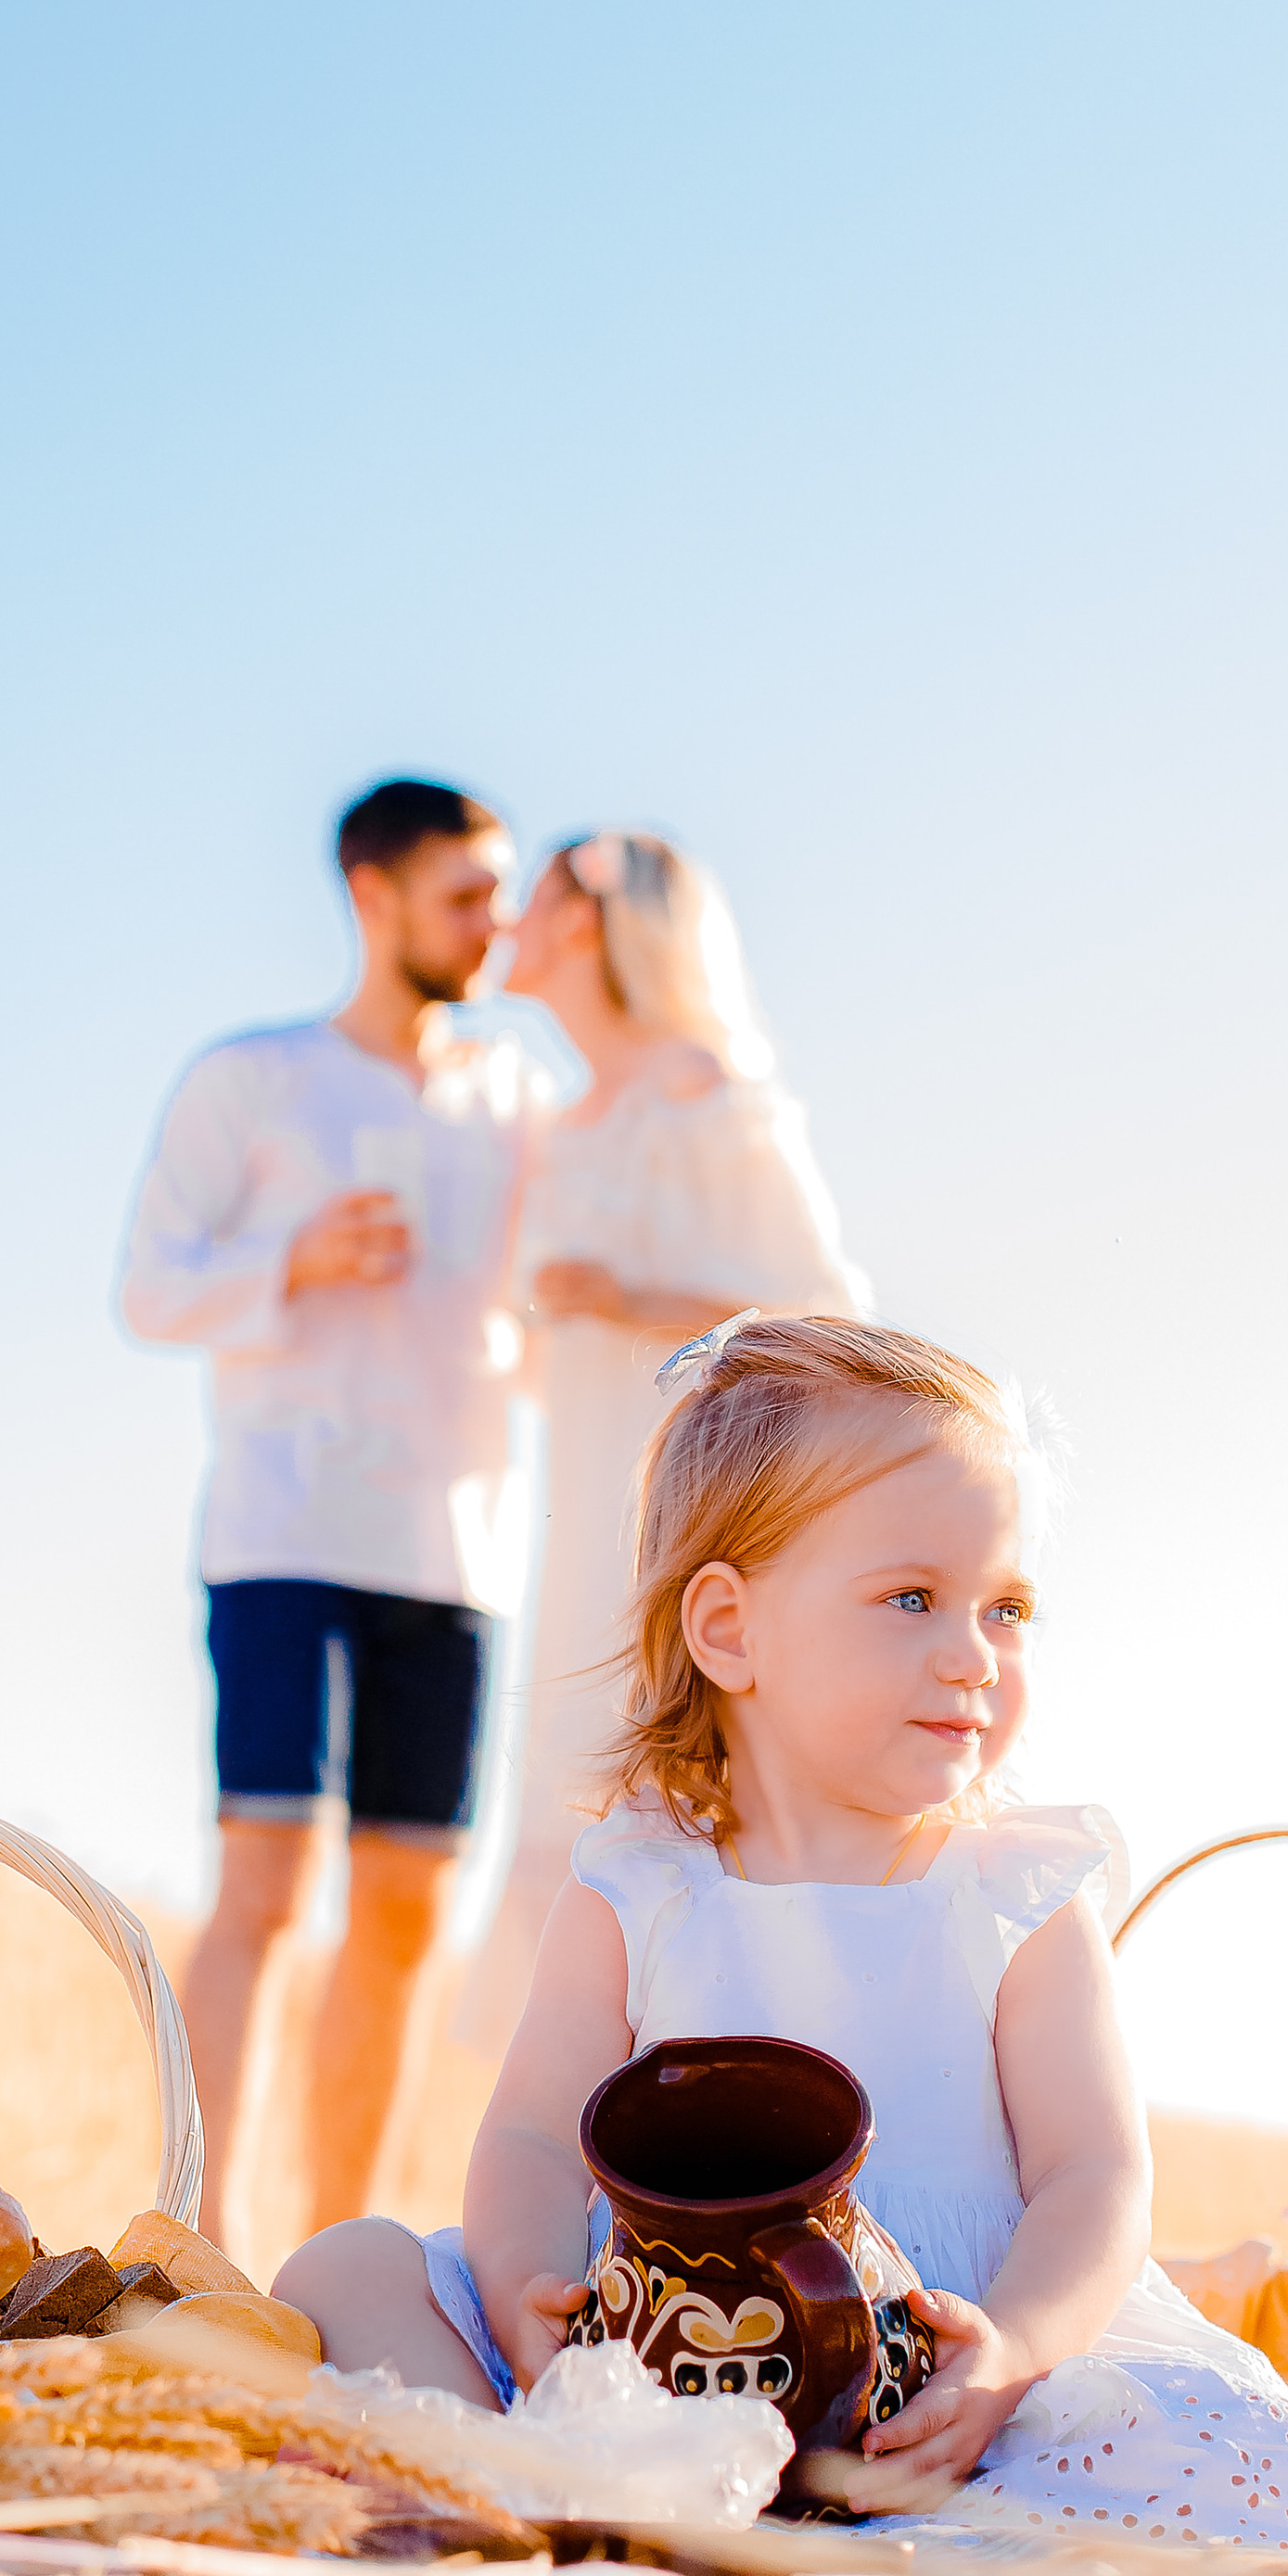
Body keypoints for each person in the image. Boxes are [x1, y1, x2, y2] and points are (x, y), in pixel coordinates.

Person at [279, 1315, 1288, 2552]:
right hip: (659, 2349)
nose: (973, 1657)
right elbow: (530, 2129)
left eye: (1007, 1609)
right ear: (730, 1631)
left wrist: (1015, 2350)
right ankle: (522, 2500)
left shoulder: (1017, 1896)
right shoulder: (642, 1883)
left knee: (1194, 2454)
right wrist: (532, 2301)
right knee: (347, 2269)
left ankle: (640, 2528)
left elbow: (1095, 2174)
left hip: (941, 2380)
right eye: (912, 1599)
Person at [120, 777, 542, 2254]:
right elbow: (146, 1286)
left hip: (458, 1550)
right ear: (373, 894)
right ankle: (206, 2243)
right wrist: (288, 1257)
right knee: (268, 1888)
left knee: (412, 1915)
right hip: (285, 1534)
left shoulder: (517, 1103)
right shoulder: (255, 1081)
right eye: (466, 897)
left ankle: (339, 2253)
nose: (496, 923)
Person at [457, 828, 868, 2054]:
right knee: (571, 1785)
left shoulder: (712, 1093)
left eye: (534, 895)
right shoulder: (560, 1128)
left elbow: (829, 1310)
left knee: (673, 1797)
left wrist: (633, 1298)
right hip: (578, 1513)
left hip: (690, 1520)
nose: (511, 921)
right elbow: (546, 1354)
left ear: (589, 919)